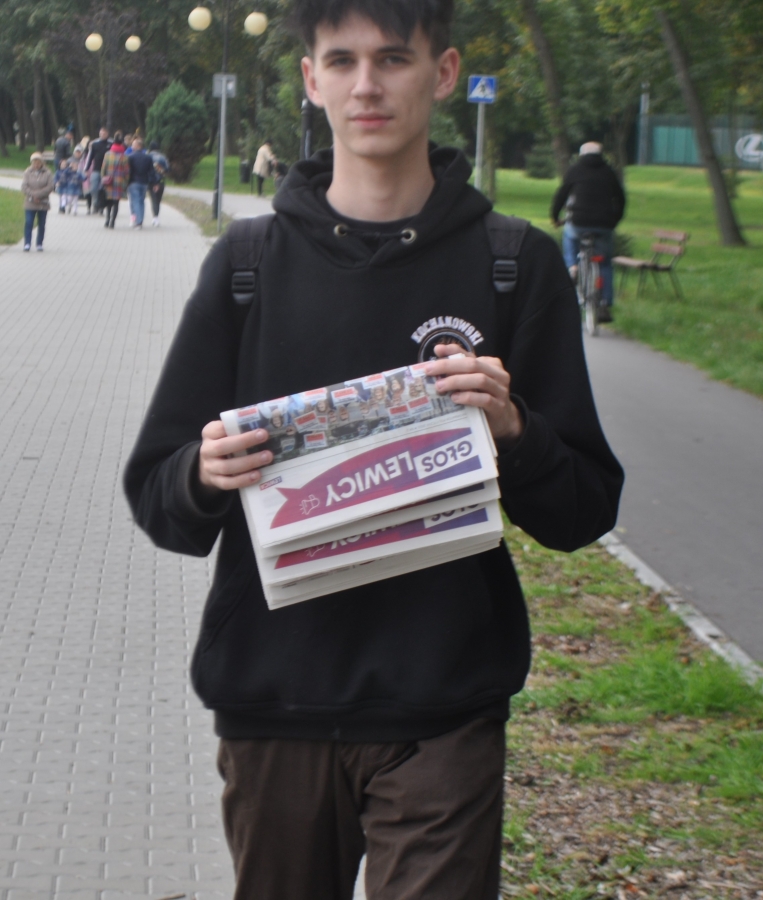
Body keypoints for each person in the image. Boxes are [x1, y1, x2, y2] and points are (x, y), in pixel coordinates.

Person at [124, 2, 624, 899]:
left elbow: (584, 509)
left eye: (393, 58)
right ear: (310, 80)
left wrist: (515, 432)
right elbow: (157, 496)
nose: (366, 85)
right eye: (341, 61)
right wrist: (201, 474)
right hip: (273, 700)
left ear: (442, 73)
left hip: (444, 705)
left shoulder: (513, 264)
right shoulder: (247, 265)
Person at [550, 141, 626, 322]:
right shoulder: (609, 172)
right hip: (604, 225)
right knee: (605, 263)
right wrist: (614, 220)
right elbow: (621, 199)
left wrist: (555, 217)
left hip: (578, 222)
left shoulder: (575, 170)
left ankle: (573, 267)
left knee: (569, 236)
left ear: (581, 154)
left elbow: (561, 195)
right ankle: (604, 303)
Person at [21, 152, 55, 252]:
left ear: (42, 163)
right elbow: (24, 187)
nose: (36, 164)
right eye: (34, 162)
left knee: (41, 223)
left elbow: (50, 186)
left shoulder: (48, 173)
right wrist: (33, 195)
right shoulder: (27, 172)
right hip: (30, 202)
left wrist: (39, 195)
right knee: (29, 222)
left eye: (38, 162)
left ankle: (39, 243)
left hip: (43, 202)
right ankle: (27, 243)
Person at [100, 131, 129, 229]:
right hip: (119, 182)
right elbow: (126, 172)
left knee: (108, 202)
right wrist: (126, 182)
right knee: (116, 203)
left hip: (109, 181)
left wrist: (103, 178)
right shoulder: (124, 156)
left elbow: (103, 168)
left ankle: (107, 220)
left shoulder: (107, 154)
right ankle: (112, 222)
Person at [127, 137, 154, 228]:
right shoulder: (148, 158)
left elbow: (128, 171)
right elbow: (151, 171)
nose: (132, 146)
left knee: (135, 201)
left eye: (133, 145)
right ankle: (140, 219)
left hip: (133, 182)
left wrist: (126, 181)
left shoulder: (130, 157)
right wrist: (152, 182)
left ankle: (138, 221)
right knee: (141, 201)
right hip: (144, 182)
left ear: (138, 146)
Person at [85, 127, 112, 215]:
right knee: (93, 188)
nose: (102, 135)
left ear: (107, 134)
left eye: (104, 133)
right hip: (96, 169)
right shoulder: (95, 144)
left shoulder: (111, 144)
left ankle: (102, 206)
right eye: (101, 133)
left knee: (103, 189)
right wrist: (86, 168)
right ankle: (95, 203)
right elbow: (90, 157)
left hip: (107, 171)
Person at [148, 140, 169, 227]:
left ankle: (155, 217)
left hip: (151, 181)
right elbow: (167, 168)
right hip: (161, 180)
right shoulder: (163, 157)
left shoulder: (147, 156)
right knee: (158, 199)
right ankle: (156, 216)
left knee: (153, 199)